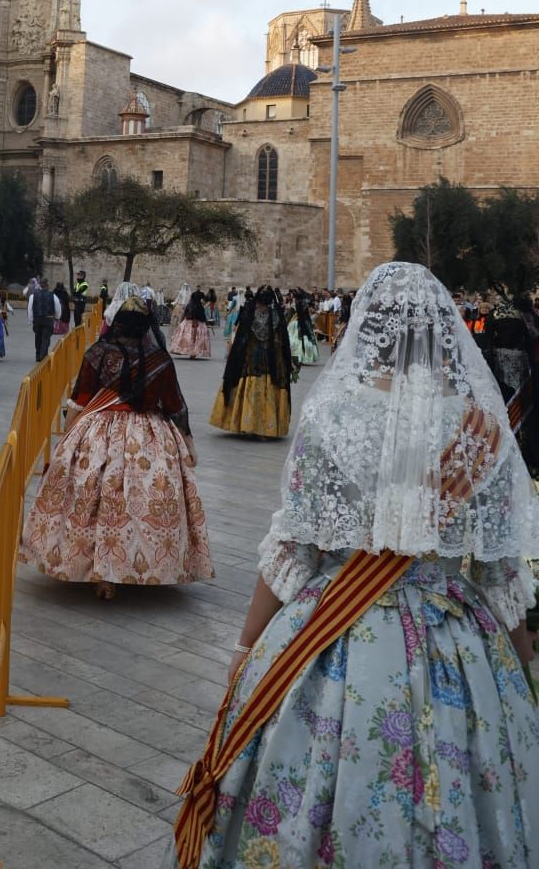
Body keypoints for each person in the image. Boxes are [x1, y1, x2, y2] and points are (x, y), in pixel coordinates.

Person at [169, 261, 539, 869]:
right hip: (457, 640)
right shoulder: (481, 430)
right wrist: (520, 668)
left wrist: (244, 655)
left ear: (370, 328)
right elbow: (499, 574)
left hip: (330, 630)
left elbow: (293, 547)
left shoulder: (332, 419)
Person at [20, 294, 214, 599]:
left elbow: (80, 400)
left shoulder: (98, 353)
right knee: (143, 501)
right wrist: (188, 444)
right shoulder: (159, 359)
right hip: (150, 436)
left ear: (118, 322)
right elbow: (175, 405)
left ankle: (98, 572)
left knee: (95, 498)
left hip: (97, 431)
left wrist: (67, 438)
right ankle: (134, 567)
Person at [209, 285, 292, 438]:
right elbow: (281, 340)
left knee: (248, 386)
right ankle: (264, 426)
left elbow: (242, 337)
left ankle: (246, 423)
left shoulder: (251, 312)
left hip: (251, 359)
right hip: (268, 359)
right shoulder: (276, 315)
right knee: (266, 387)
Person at [169, 290, 212, 360]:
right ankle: (193, 352)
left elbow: (185, 313)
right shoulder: (198, 306)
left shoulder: (190, 304)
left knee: (187, 337)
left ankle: (185, 350)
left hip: (189, 322)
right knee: (194, 338)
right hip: (196, 324)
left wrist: (181, 322)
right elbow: (202, 316)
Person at [29, 280, 61, 362]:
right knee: (45, 338)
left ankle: (38, 355)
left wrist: (31, 320)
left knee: (38, 337)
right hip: (48, 318)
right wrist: (57, 317)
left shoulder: (33, 296)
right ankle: (43, 356)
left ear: (40, 286)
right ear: (48, 286)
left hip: (37, 319)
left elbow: (30, 309)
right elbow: (58, 307)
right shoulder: (53, 296)